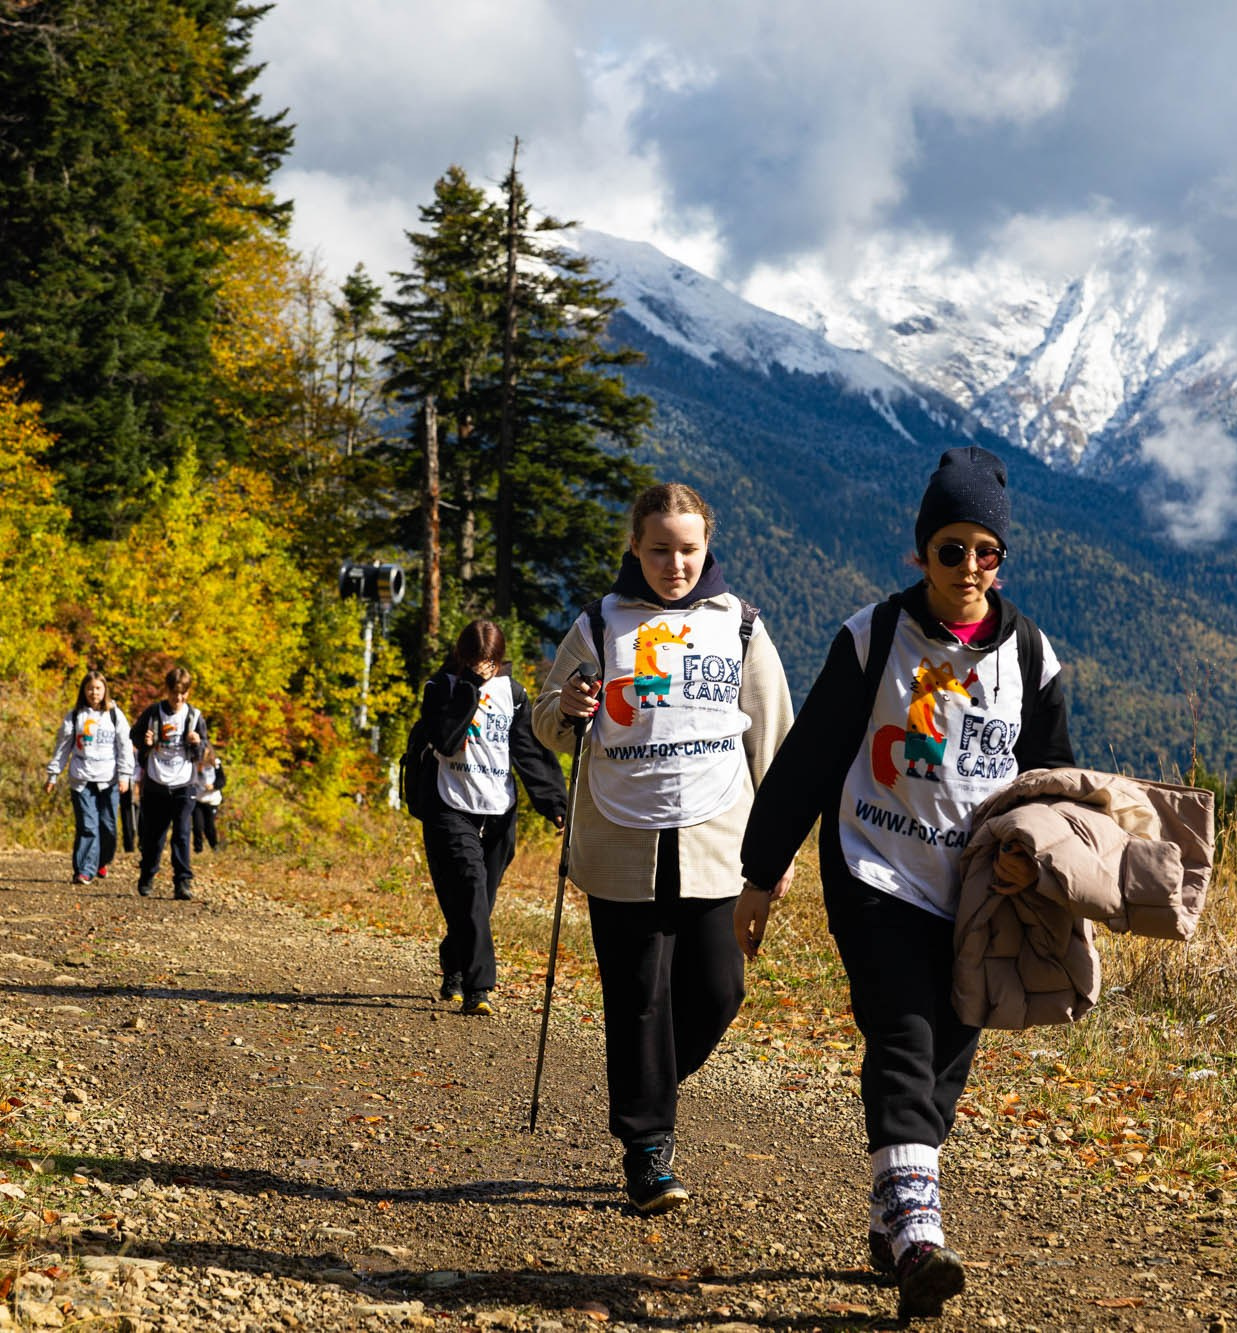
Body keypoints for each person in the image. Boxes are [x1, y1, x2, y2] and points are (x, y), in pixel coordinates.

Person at [736, 445, 1074, 1320]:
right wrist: (758, 875)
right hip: (874, 867)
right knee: (903, 1032)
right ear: (919, 552)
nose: (968, 567)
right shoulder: (872, 638)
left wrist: (1030, 857)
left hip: (976, 891)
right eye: (950, 549)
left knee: (950, 1053)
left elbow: (1053, 782)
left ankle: (892, 1222)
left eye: (985, 551)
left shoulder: (1032, 657)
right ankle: (920, 1232)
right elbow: (808, 762)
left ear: (1002, 558)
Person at [532, 483, 793, 1215]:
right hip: (620, 842)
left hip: (721, 841)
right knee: (639, 998)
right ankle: (648, 1147)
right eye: (658, 549)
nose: (673, 563)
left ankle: (645, 1084)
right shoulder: (598, 624)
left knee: (720, 989)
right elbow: (547, 724)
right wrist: (569, 705)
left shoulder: (740, 625)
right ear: (635, 548)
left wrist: (778, 852)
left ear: (706, 546)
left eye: (687, 548)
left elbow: (773, 740)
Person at [414, 621, 567, 1016]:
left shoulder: (513, 694)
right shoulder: (442, 688)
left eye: (492, 662)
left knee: (479, 901)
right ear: (463, 658)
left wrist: (554, 802)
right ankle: (479, 988)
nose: (486, 669)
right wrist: (468, 689)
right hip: (450, 806)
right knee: (469, 888)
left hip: (499, 810)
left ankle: (454, 967)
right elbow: (445, 741)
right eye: (478, 661)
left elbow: (529, 750)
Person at [43, 670, 134, 885]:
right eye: (90, 688)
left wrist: (125, 775)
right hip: (82, 779)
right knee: (88, 826)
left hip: (109, 780)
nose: (94, 692)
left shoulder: (114, 714)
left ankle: (101, 860)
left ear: (105, 690)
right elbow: (63, 747)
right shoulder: (75, 715)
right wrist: (53, 774)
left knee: (108, 828)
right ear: (84, 691)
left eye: (98, 688)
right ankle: (84, 869)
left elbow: (125, 745)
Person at [129, 666, 208, 899]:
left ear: (189, 693)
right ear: (167, 691)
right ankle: (147, 876)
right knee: (155, 835)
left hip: (185, 782)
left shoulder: (194, 716)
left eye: (183, 693)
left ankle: (183, 882)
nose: (179, 698)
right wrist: (146, 741)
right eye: (175, 692)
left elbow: (203, 751)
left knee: (182, 833)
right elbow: (134, 735)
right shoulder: (154, 712)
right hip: (156, 781)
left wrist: (196, 742)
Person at [193, 744, 226, 853]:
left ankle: (214, 846)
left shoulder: (216, 764)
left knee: (209, 826)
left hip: (212, 800)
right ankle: (198, 849)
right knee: (197, 826)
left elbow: (222, 780)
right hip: (198, 799)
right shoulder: (195, 763)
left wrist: (214, 786)